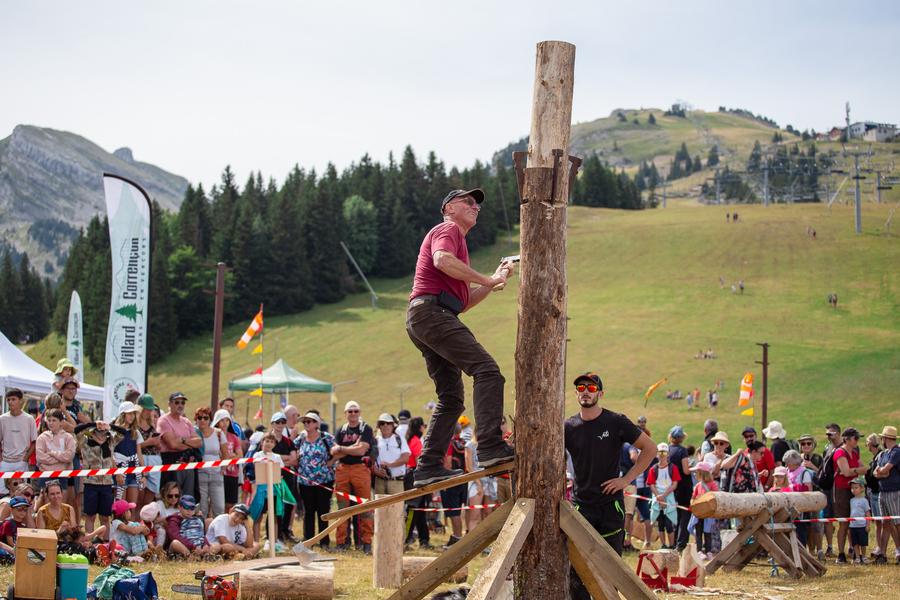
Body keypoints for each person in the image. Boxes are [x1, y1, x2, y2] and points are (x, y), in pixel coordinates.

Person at [407, 188, 516, 486]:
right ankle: (491, 446)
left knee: (452, 399)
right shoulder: (448, 229)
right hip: (432, 314)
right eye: (468, 201)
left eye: (478, 203)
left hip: (428, 315)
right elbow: (442, 260)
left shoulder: (457, 239)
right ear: (449, 207)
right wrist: (486, 279)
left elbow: (463, 302)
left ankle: (428, 465)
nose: (475, 207)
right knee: (488, 372)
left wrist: (496, 278)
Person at [564, 370, 655, 600]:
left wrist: (625, 480)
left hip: (609, 507)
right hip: (580, 507)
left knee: (610, 571)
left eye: (591, 388)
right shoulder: (568, 426)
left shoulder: (615, 422)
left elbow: (650, 449)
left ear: (600, 393)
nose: (586, 392)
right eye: (581, 388)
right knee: (577, 574)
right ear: (576, 393)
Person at [331, 401, 375, 553]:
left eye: (356, 411)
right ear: (345, 413)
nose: (353, 414)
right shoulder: (341, 430)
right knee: (343, 508)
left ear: (360, 412)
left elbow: (361, 451)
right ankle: (341, 542)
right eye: (350, 411)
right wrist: (353, 448)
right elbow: (333, 453)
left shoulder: (366, 429)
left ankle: (366, 543)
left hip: (360, 469)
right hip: (342, 470)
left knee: (365, 507)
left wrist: (342, 449)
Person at [75, 420, 126, 539]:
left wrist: (110, 425)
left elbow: (123, 433)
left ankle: (106, 542)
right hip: (90, 483)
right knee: (90, 516)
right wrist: (93, 423)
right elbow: (77, 430)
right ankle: (90, 541)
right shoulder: (85, 442)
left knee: (105, 516)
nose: (101, 435)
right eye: (98, 432)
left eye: (104, 432)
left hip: (107, 484)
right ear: (92, 433)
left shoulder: (110, 442)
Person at [294, 411, 336, 546]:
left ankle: (324, 541)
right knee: (309, 512)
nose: (306, 424)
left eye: (309, 421)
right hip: (305, 481)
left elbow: (338, 451)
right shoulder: (300, 438)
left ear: (317, 423)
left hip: (324, 480)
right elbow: (291, 449)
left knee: (323, 512)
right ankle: (308, 540)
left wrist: (332, 461)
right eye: (304, 421)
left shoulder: (326, 438)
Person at [249, 433, 295, 552]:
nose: (268, 443)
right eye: (266, 441)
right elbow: (257, 469)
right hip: (261, 490)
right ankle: (256, 543)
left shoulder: (277, 457)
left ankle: (273, 542)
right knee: (258, 516)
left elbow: (280, 471)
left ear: (274, 444)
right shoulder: (257, 455)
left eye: (271, 441)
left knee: (274, 516)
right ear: (262, 442)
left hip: (274, 490)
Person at [157, 392, 202, 498]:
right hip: (172, 462)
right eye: (177, 402)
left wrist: (182, 440)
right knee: (173, 497)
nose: (180, 405)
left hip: (188, 462)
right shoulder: (164, 421)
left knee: (188, 497)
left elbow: (199, 442)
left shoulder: (186, 421)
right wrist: (190, 443)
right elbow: (172, 444)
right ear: (169, 404)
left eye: (183, 402)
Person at [832, 427, 867, 564]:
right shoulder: (840, 452)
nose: (857, 441)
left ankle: (854, 551)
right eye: (856, 438)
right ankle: (841, 553)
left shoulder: (854, 452)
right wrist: (857, 471)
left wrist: (854, 471)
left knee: (854, 522)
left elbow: (865, 468)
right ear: (847, 439)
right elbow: (846, 472)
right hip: (842, 490)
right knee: (844, 523)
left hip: (854, 490)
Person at [0, 388, 37, 495]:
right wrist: (1, 459)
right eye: (8, 400)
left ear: (21, 400)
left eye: (13, 399)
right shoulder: (2, 419)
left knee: (22, 492)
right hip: (5, 462)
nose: (10, 402)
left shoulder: (29, 419)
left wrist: (25, 459)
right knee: (2, 493)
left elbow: (34, 442)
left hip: (21, 462)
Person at [269, 411, 299, 543]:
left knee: (288, 504)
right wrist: (284, 458)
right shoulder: (268, 440)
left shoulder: (288, 442)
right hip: (271, 476)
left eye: (282, 422)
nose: (280, 425)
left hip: (287, 476)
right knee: (273, 503)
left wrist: (277, 460)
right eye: (277, 422)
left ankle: (285, 530)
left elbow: (294, 460)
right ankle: (272, 532)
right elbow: (265, 456)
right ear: (272, 424)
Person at [873, 425, 900, 565]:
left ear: (886, 438)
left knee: (897, 523)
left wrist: (881, 472)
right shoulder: (883, 454)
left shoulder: (896, 452)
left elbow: (885, 469)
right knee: (886, 523)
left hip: (893, 491)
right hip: (883, 492)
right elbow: (876, 472)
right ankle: (882, 553)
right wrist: (881, 473)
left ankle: (899, 550)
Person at [195, 406, 228, 518]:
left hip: (216, 474)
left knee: (219, 507)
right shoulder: (193, 433)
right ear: (196, 419)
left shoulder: (218, 433)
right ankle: (202, 533)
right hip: (200, 474)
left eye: (205, 418)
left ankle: (219, 533)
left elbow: (225, 454)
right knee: (202, 508)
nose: (202, 420)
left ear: (210, 419)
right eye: (200, 418)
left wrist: (223, 469)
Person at [404, 417, 431, 549]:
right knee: (413, 509)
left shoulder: (411, 439)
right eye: (423, 426)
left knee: (420, 510)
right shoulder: (415, 441)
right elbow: (419, 460)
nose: (424, 428)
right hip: (416, 476)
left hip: (413, 475)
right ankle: (405, 539)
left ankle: (424, 539)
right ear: (419, 427)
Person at [35, 409, 76, 491]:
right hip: (45, 474)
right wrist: (61, 459)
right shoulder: (42, 437)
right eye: (49, 420)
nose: (51, 423)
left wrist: (52, 453)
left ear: (61, 422)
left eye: (54, 420)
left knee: (61, 501)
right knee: (45, 501)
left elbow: (69, 456)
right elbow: (40, 457)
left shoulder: (68, 437)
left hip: (62, 475)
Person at [647, 443, 678, 550]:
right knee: (660, 523)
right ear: (657, 454)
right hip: (657, 499)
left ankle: (672, 545)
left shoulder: (673, 468)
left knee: (669, 523)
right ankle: (663, 545)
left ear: (668, 454)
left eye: (664, 452)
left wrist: (664, 496)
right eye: (660, 452)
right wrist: (658, 497)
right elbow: (651, 484)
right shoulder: (653, 469)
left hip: (668, 498)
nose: (662, 455)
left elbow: (674, 484)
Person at [113, 401, 144, 503]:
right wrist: (117, 473)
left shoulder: (136, 432)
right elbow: (110, 454)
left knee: (132, 506)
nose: (132, 416)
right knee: (121, 508)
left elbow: (139, 454)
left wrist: (143, 474)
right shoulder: (114, 432)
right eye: (129, 413)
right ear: (123, 414)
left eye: (133, 414)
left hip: (134, 470)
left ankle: (132, 520)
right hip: (120, 470)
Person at [667, 425, 693, 551]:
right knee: (685, 515)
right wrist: (694, 467)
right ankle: (681, 543)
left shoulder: (667, 450)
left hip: (672, 485)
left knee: (675, 515)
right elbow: (686, 471)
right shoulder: (682, 451)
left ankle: (674, 541)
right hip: (684, 486)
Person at [213, 409, 243, 513]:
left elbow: (240, 454)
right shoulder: (214, 436)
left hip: (232, 473)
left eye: (227, 420)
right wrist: (230, 456)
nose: (225, 423)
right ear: (217, 421)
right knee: (219, 502)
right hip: (219, 473)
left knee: (230, 504)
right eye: (222, 420)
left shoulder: (234, 437)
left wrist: (229, 457)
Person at [373, 413, 410, 495]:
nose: (385, 425)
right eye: (382, 423)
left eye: (388, 423)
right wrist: (376, 471)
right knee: (380, 508)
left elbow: (405, 458)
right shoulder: (375, 441)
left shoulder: (399, 438)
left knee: (397, 508)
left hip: (396, 482)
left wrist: (389, 465)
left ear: (393, 425)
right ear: (379, 426)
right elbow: (371, 461)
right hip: (379, 482)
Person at [690, 462, 720, 560]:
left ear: (702, 473)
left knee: (707, 533)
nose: (695, 474)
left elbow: (715, 497)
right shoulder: (698, 485)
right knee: (698, 532)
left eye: (697, 472)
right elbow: (693, 498)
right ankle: (699, 551)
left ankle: (708, 551)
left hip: (708, 514)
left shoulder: (712, 485)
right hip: (699, 514)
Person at [137, 396, 162, 507]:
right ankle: (136, 523)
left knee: (149, 500)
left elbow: (158, 446)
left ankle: (145, 522)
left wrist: (156, 443)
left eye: (150, 409)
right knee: (139, 497)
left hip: (154, 459)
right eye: (147, 409)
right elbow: (133, 445)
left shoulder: (152, 424)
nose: (149, 411)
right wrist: (149, 442)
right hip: (140, 459)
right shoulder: (134, 426)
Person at [864, 432, 884, 559]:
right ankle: (879, 546)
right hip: (874, 492)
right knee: (878, 523)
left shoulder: (880, 457)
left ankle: (882, 547)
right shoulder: (876, 457)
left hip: (877, 493)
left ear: (871, 444)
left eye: (867, 444)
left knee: (882, 523)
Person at [849, 477, 871, 564]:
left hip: (862, 525)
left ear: (862, 488)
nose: (853, 490)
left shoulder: (864, 501)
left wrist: (868, 525)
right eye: (852, 488)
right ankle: (857, 557)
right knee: (855, 543)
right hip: (853, 526)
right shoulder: (851, 500)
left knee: (863, 543)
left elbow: (868, 514)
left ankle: (864, 557)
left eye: (856, 487)